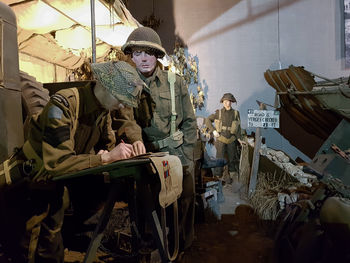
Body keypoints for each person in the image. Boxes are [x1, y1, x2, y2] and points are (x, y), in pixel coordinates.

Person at [0, 61, 145, 262]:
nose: (122, 105)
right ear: (102, 85)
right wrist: (104, 157)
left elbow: (108, 144)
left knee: (51, 248)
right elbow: (57, 163)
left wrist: (117, 152)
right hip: (29, 186)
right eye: (120, 98)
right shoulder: (62, 104)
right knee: (28, 251)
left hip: (54, 186)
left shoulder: (102, 112)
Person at [120, 26, 197, 253]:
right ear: (132, 56)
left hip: (177, 152)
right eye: (137, 53)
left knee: (184, 199)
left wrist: (185, 156)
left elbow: (190, 123)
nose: (143, 59)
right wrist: (136, 140)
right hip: (146, 155)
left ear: (157, 55)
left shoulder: (175, 82)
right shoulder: (127, 84)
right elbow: (127, 118)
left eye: (148, 53)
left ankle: (181, 247)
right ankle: (150, 244)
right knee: (147, 203)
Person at [205, 93, 243, 189]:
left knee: (232, 159)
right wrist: (213, 130)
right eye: (225, 101)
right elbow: (207, 120)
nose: (227, 103)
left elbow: (238, 127)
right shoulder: (218, 113)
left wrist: (239, 139)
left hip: (232, 140)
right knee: (219, 159)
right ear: (222, 102)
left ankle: (232, 180)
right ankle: (217, 179)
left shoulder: (236, 113)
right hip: (221, 139)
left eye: (229, 101)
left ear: (232, 102)